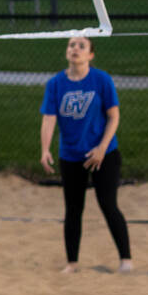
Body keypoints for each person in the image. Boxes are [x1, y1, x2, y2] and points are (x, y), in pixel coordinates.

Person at [39, 34, 133, 273]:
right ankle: (72, 263)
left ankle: (126, 260)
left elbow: (114, 116)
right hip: (71, 156)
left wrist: (102, 148)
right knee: (73, 209)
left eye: (81, 46)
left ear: (90, 54)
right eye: (71, 45)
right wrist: (45, 149)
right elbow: (49, 119)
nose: (75, 49)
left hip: (104, 154)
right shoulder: (56, 84)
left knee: (108, 204)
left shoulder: (101, 80)